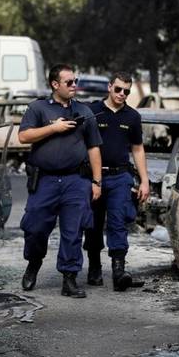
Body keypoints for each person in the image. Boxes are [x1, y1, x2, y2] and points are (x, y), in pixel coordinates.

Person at [18, 64, 103, 298]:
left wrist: (97, 182)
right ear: (55, 85)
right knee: (34, 227)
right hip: (44, 180)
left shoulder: (84, 112)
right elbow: (23, 136)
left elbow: (94, 148)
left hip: (76, 180)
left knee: (73, 231)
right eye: (69, 82)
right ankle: (33, 264)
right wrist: (53, 128)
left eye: (75, 81)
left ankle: (69, 278)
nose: (74, 86)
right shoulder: (38, 108)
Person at [83, 71, 149, 291]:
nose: (122, 94)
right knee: (92, 224)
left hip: (120, 177)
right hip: (93, 177)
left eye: (127, 91)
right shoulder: (92, 111)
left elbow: (138, 149)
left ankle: (119, 272)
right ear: (110, 87)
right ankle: (94, 267)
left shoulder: (132, 117)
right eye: (119, 89)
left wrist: (145, 181)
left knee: (118, 222)